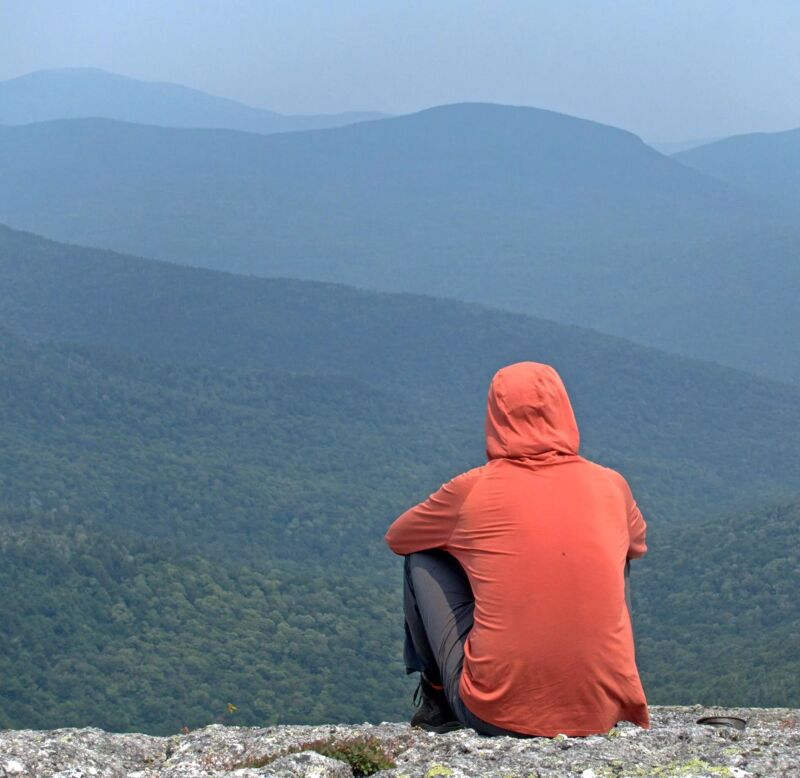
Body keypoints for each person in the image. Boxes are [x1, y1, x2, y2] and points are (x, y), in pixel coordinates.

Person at [384, 361, 649, 737]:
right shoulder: (611, 484)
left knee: (423, 556)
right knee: (617, 551)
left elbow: (399, 538)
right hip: (603, 714)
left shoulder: (471, 489)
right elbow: (637, 545)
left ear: (496, 417)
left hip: (495, 713)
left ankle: (438, 700)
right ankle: (600, 679)